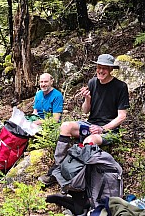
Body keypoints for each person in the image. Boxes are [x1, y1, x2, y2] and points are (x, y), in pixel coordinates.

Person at [39, 54, 130, 186]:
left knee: (90, 140)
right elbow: (85, 111)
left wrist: (102, 129)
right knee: (65, 126)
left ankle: (77, 179)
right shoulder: (92, 82)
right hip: (90, 124)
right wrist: (87, 98)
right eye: (99, 67)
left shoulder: (120, 87)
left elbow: (122, 116)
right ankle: (57, 168)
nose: (101, 71)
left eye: (105, 68)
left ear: (111, 69)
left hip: (108, 130)